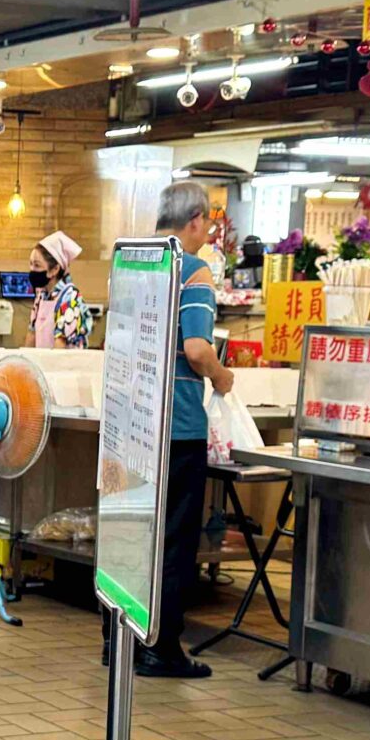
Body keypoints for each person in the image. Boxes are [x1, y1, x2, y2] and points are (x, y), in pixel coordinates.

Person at [140, 180, 232, 680]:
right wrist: (222, 376)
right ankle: (163, 648)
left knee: (137, 536)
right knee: (174, 540)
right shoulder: (193, 271)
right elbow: (197, 349)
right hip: (176, 428)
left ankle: (124, 639)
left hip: (132, 425)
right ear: (197, 220)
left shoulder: (133, 264)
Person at [29, 231, 95, 349]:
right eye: (31, 264)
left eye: (37, 265)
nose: (32, 269)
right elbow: (32, 333)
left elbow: (60, 345)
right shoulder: (42, 295)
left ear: (54, 269)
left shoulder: (69, 297)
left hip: (62, 364)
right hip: (43, 363)